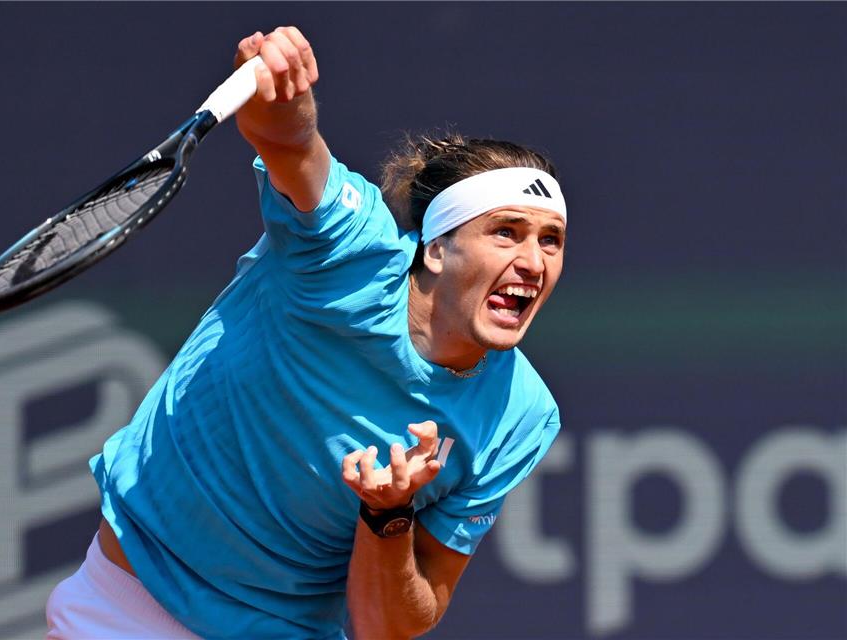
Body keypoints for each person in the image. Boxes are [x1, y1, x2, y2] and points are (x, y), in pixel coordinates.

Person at [46, 25, 566, 640]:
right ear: (435, 249)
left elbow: (387, 625)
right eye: (506, 232)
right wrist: (283, 89)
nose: (534, 263)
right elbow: (291, 140)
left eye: (551, 240)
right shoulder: (349, 249)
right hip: (128, 608)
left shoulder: (522, 416)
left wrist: (388, 515)